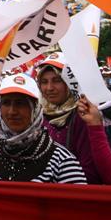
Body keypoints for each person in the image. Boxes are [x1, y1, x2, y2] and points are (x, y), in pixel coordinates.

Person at [0, 74, 86, 183]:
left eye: (20, 103)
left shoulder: (63, 161)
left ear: (36, 109)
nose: (12, 111)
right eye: (6, 103)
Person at [36, 55, 100, 184]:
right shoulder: (38, 115)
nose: (49, 88)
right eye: (44, 82)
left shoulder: (84, 115)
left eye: (57, 80)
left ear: (70, 82)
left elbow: (90, 172)